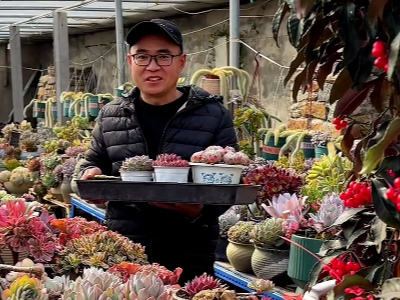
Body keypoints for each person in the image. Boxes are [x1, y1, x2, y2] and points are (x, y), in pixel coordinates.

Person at [77, 19, 238, 284]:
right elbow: (92, 162)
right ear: (130, 62)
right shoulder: (111, 115)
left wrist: (197, 212)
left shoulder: (212, 115)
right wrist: (89, 174)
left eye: (164, 56)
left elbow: (230, 181)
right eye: (142, 56)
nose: (152, 66)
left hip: (188, 254)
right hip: (125, 252)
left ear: (181, 61)